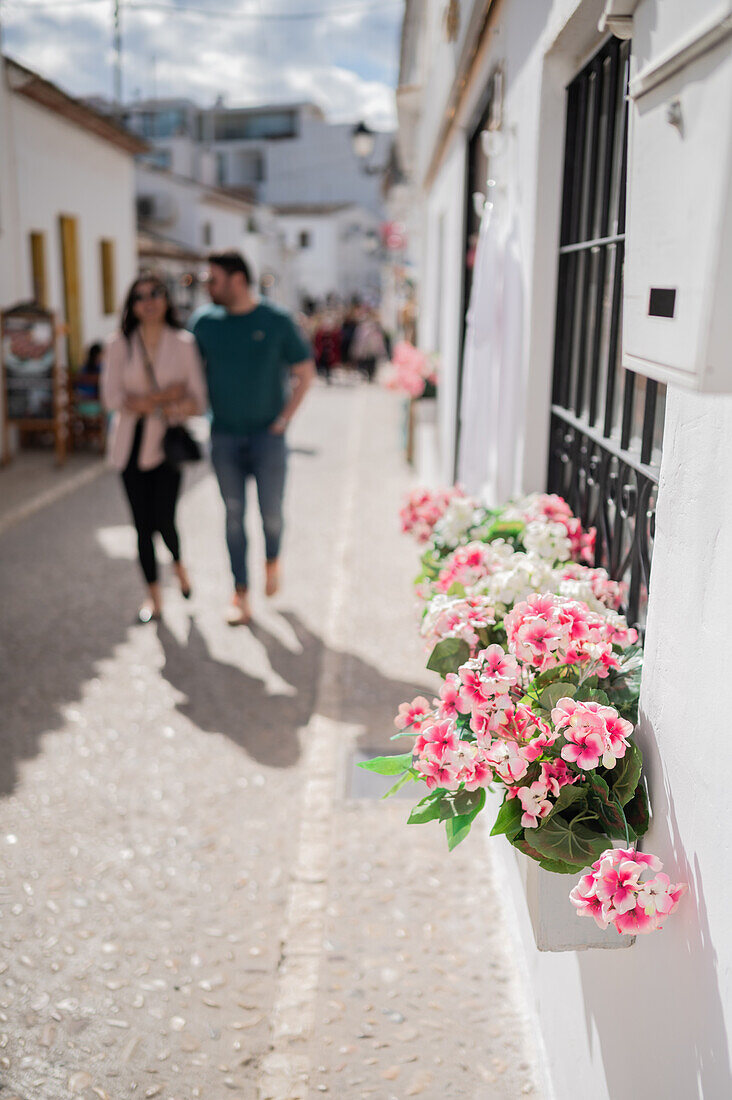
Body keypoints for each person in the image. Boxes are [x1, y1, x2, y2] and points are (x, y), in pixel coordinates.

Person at [191, 251, 315, 626]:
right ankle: (240, 593)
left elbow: (304, 373)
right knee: (232, 516)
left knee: (272, 515)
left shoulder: (276, 320)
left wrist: (283, 421)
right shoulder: (203, 324)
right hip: (224, 436)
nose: (207, 288)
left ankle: (272, 562)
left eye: (213, 280)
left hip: (267, 438)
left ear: (238, 280)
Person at [102, 274, 207, 623]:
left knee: (165, 518)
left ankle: (178, 566)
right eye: (140, 296)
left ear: (167, 299)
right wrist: (165, 397)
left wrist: (152, 403)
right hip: (129, 446)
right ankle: (154, 598)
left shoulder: (183, 343)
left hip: (165, 446)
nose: (149, 301)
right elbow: (112, 396)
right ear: (131, 305)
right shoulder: (120, 344)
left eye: (156, 293)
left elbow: (197, 399)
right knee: (141, 526)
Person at [350, 307, 387, 382]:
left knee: (371, 362)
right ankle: (367, 374)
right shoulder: (361, 327)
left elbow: (378, 338)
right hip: (365, 348)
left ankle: (370, 374)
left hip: (372, 347)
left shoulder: (374, 326)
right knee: (366, 362)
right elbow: (359, 338)